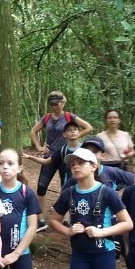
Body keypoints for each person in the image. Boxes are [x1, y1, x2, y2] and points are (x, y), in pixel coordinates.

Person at [29, 92, 93, 230]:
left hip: (66, 155)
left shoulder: (69, 116)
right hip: (51, 155)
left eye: (56, 103)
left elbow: (88, 127)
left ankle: (66, 219)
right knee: (41, 187)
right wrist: (39, 146)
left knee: (67, 187)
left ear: (62, 102)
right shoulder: (46, 118)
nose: (54, 106)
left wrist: (75, 135)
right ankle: (41, 220)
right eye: (51, 104)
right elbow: (33, 131)